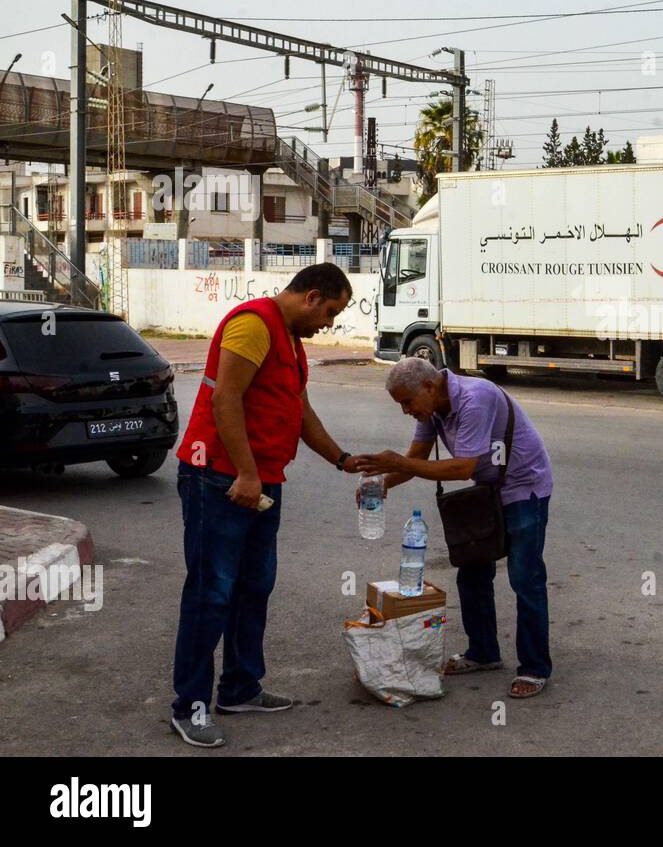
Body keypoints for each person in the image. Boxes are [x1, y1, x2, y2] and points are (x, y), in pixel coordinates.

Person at [171, 263, 361, 748]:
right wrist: (246, 473)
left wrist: (341, 459)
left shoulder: (291, 342)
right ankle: (189, 706)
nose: (330, 324)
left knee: (253, 588)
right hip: (220, 478)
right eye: (332, 312)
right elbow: (225, 400)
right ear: (312, 297)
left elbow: (298, 412)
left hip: (261, 485)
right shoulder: (254, 324)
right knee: (210, 595)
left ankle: (239, 688)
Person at [356, 357, 554, 699]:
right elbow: (415, 458)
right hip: (486, 492)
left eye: (406, 401)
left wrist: (398, 462)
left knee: (526, 578)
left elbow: (462, 468)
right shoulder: (432, 408)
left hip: (524, 487)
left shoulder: (476, 399)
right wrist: (384, 483)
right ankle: (483, 653)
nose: (405, 410)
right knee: (473, 573)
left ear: (430, 387)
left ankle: (535, 668)